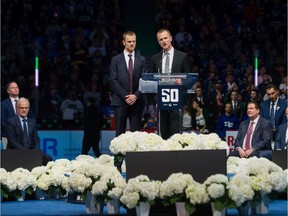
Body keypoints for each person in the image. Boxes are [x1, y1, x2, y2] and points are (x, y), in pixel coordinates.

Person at [149, 28, 191, 139]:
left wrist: (182, 81)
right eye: (161, 39)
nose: (164, 41)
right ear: (158, 42)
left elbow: (190, 78)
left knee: (176, 132)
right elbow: (151, 78)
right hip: (161, 98)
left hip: (177, 99)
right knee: (164, 130)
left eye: (165, 38)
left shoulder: (183, 56)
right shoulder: (155, 58)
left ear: (171, 38)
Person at [110, 31, 147, 137]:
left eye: (134, 41)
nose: (131, 43)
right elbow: (113, 81)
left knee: (135, 134)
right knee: (119, 134)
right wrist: (126, 96)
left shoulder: (142, 60)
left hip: (137, 101)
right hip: (120, 101)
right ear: (123, 42)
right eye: (129, 41)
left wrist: (135, 95)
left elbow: (144, 80)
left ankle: (135, 154)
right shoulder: (115, 60)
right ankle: (119, 154)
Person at [5, 97, 52, 165]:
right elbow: (12, 141)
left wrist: (35, 152)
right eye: (21, 108)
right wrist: (25, 152)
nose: (24, 110)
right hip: (16, 151)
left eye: (26, 108)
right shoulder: (11, 122)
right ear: (17, 109)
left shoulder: (32, 122)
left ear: (28, 109)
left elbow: (36, 139)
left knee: (48, 158)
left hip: (31, 151)